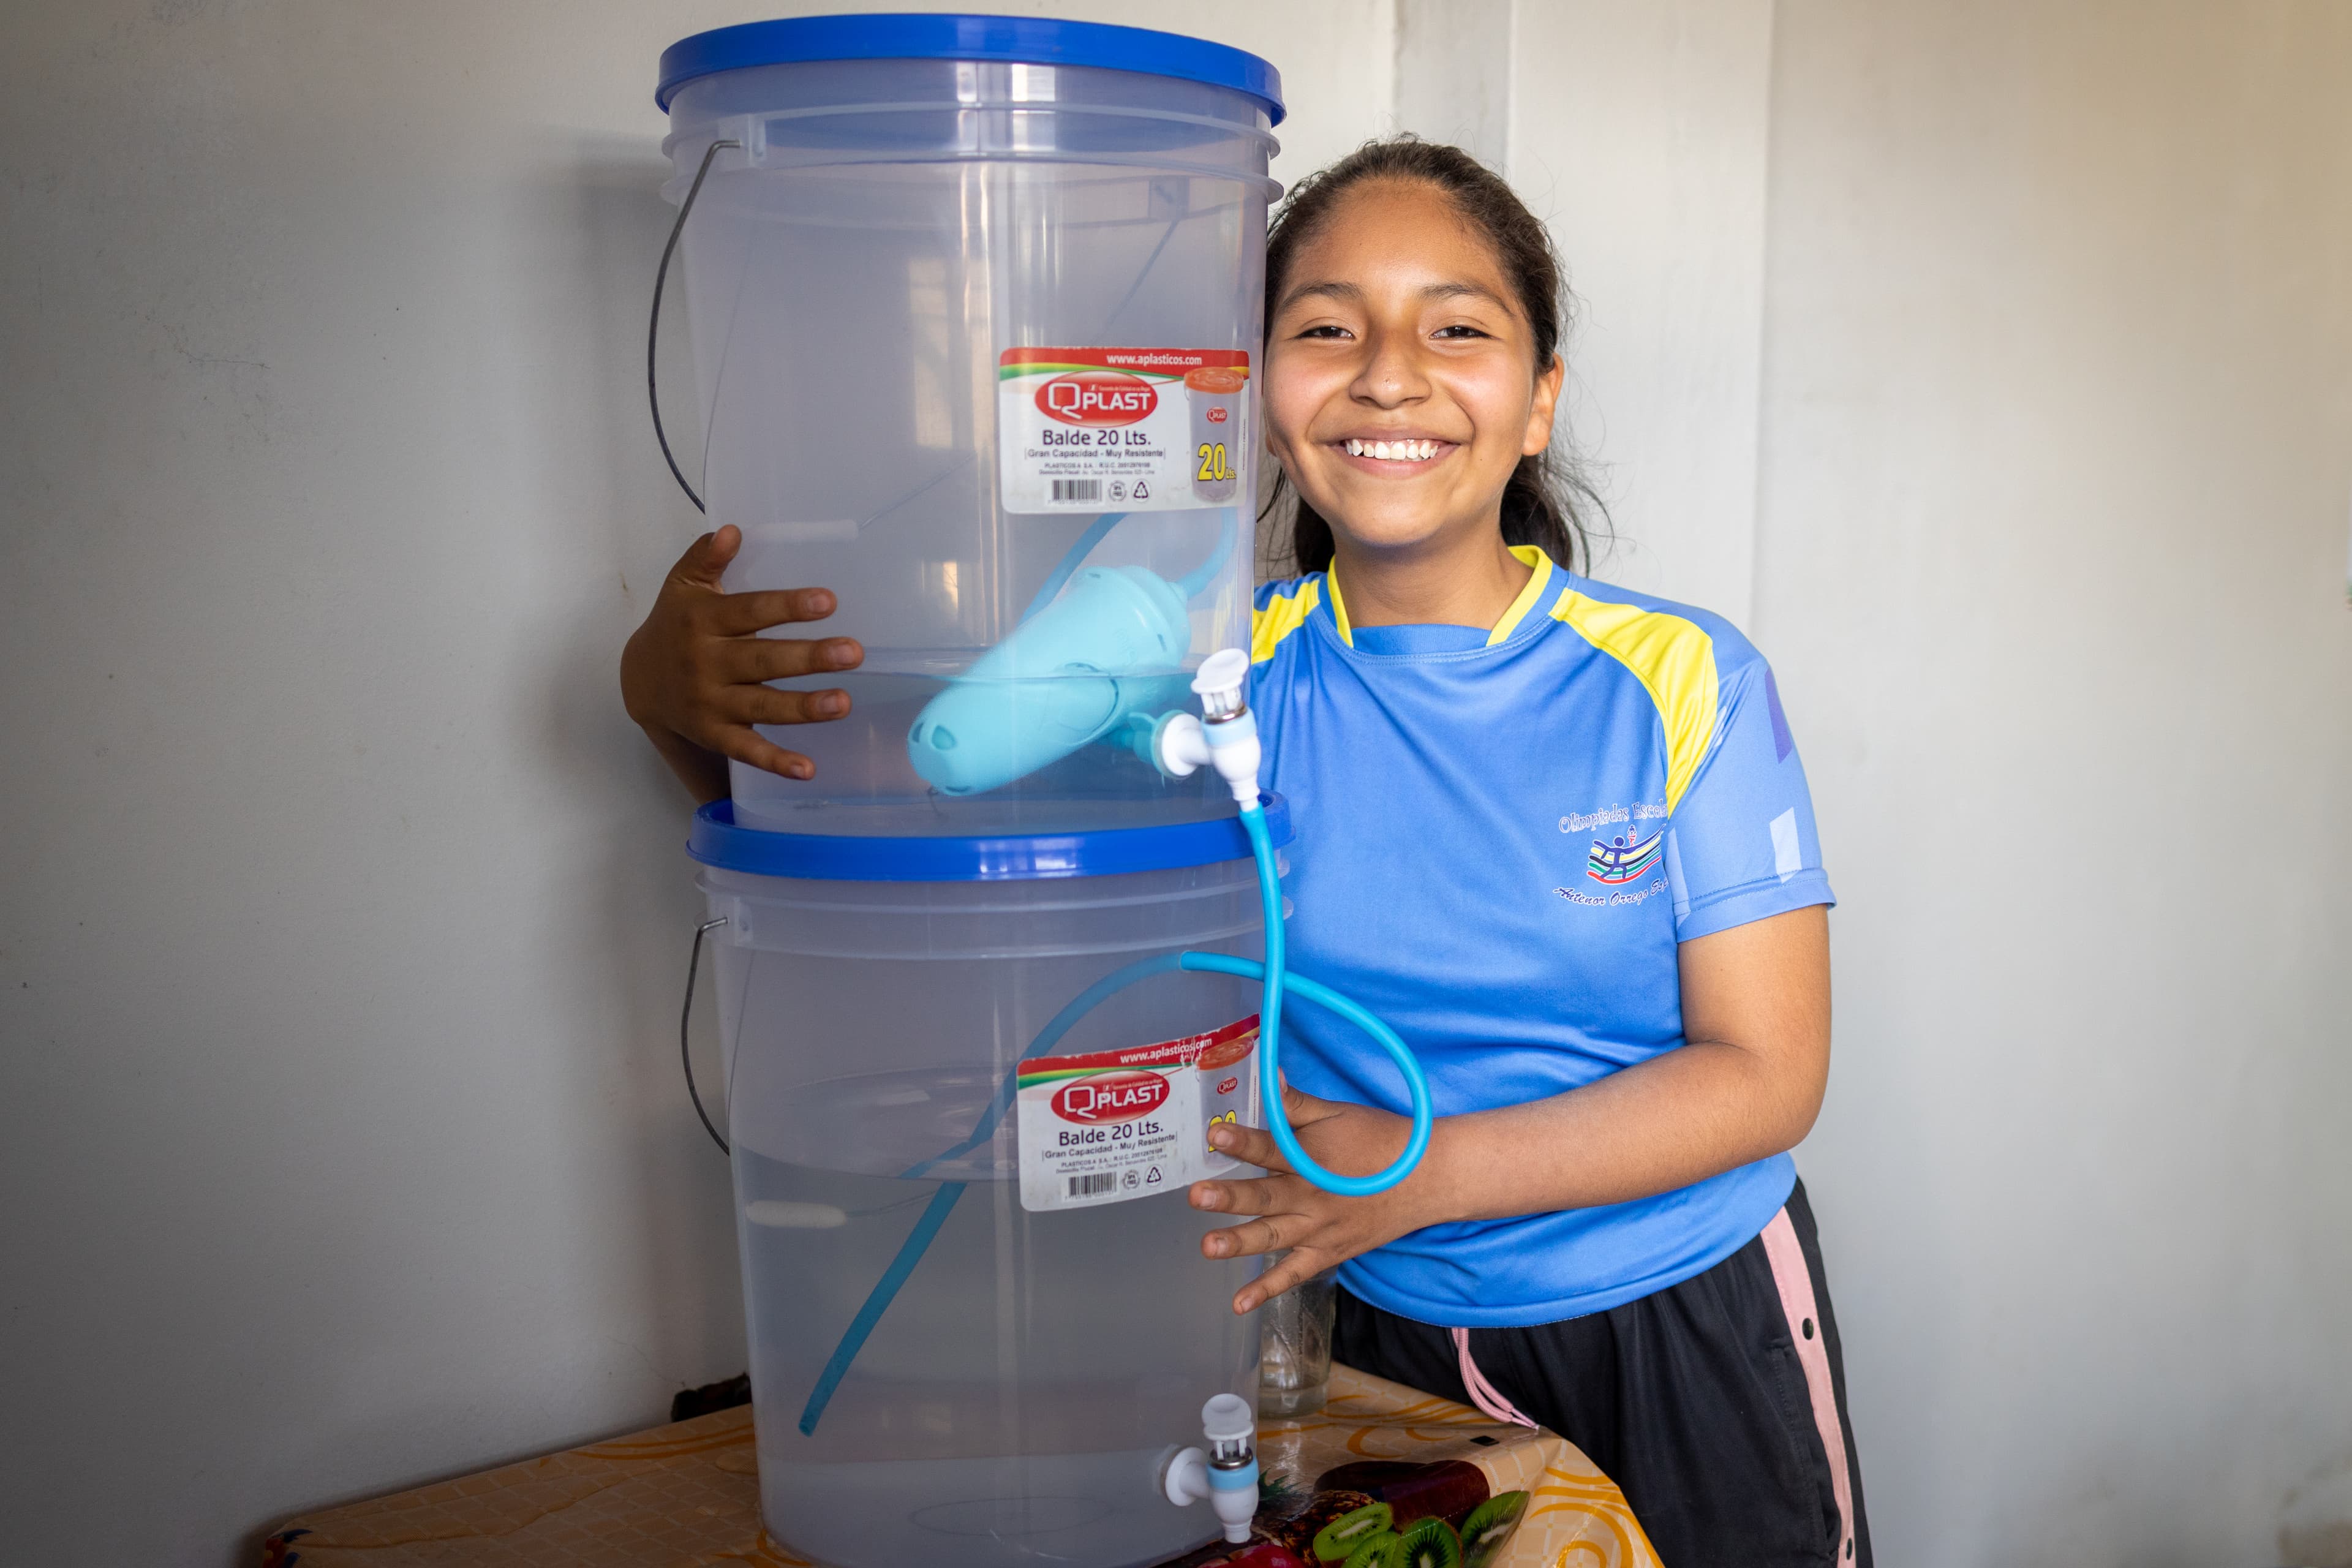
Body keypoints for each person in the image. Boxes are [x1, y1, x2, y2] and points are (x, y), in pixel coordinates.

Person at [622, 137, 1869, 1568]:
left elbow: (1769, 1073)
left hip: (1682, 1320)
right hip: (1362, 1328)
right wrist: (665, 697)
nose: (1388, 371)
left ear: (1539, 403)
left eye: (1457, 327)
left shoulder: (1682, 676)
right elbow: (872, 836)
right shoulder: (1212, 684)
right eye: (1325, 326)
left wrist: (1423, 1169)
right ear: (1263, 396)